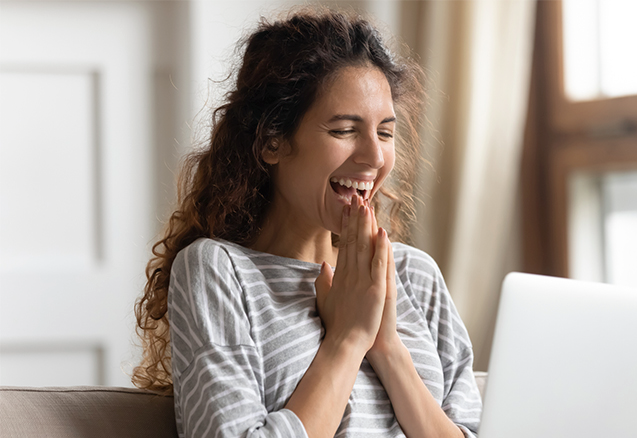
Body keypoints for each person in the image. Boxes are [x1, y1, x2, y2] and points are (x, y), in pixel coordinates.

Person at [133, 8, 482, 438]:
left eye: (386, 133)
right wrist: (348, 339)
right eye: (343, 130)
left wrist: (388, 348)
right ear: (272, 142)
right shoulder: (217, 273)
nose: (374, 157)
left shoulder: (416, 276)